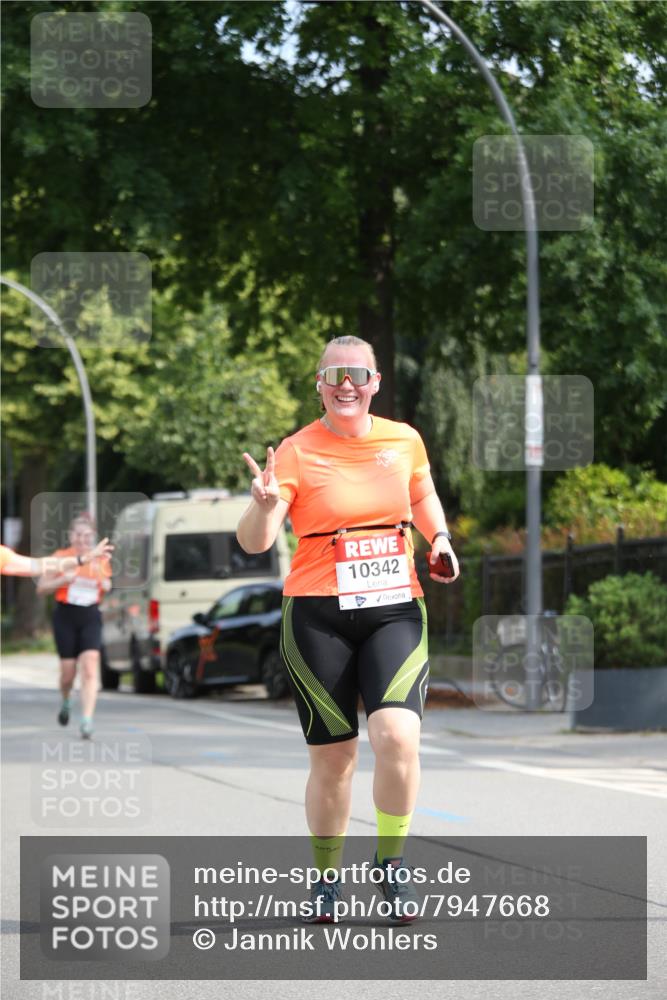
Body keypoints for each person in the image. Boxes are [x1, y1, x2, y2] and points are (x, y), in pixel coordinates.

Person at [237, 335, 459, 922]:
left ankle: (390, 865)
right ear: (319, 384)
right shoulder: (295, 451)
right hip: (316, 615)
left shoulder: (403, 439)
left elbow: (424, 493)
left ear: (375, 383)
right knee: (334, 761)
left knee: (397, 738)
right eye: (333, 374)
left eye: (357, 374)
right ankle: (327, 880)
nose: (345, 385)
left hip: (393, 608)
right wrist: (262, 504)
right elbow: (257, 541)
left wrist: (439, 538)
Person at [36, 515, 113, 740]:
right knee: (68, 674)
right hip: (66, 616)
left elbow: (106, 584)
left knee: (90, 668)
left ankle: (87, 720)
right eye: (78, 535)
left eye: (87, 536)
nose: (82, 539)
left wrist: (106, 584)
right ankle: (66, 700)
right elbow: (41, 589)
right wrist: (62, 580)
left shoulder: (100, 560)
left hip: (90, 615)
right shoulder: (61, 558)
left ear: (93, 537)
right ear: (71, 536)